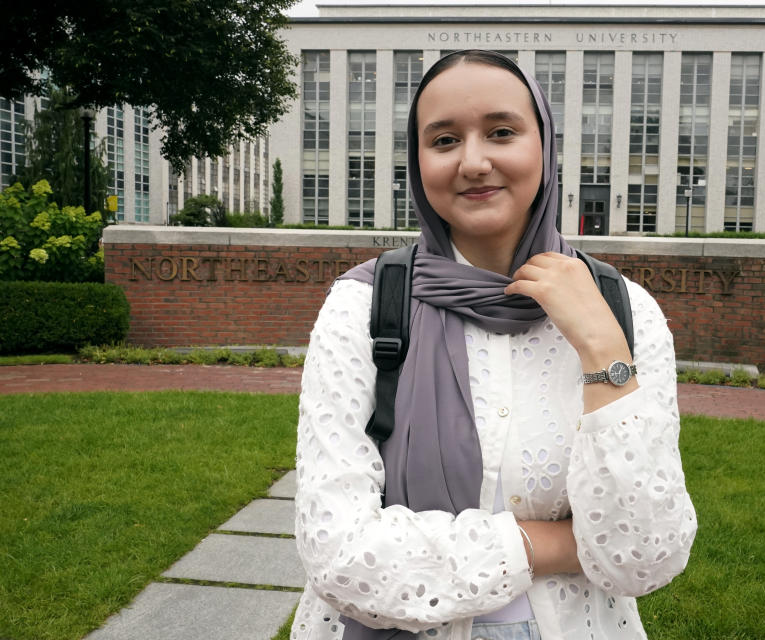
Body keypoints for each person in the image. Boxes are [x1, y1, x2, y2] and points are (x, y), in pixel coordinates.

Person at [292, 50, 697, 640]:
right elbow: (340, 557)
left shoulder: (622, 310)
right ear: (419, 160)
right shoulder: (364, 306)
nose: (474, 162)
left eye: (502, 132)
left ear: (544, 146)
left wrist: (602, 349)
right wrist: (556, 542)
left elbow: (646, 556)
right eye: (445, 140)